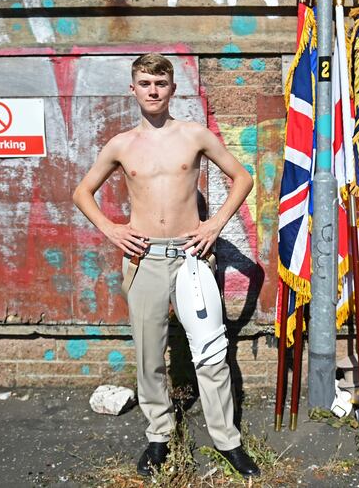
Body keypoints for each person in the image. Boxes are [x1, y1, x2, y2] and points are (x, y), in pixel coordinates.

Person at [73, 53, 260, 478]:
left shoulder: (194, 135)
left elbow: (243, 177)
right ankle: (159, 435)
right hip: (145, 258)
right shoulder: (121, 145)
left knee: (212, 355)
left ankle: (227, 441)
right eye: (145, 83)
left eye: (160, 83)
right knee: (148, 356)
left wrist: (215, 225)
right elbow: (82, 192)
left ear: (173, 89)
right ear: (133, 89)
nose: (153, 91)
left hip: (191, 258)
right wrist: (112, 229)